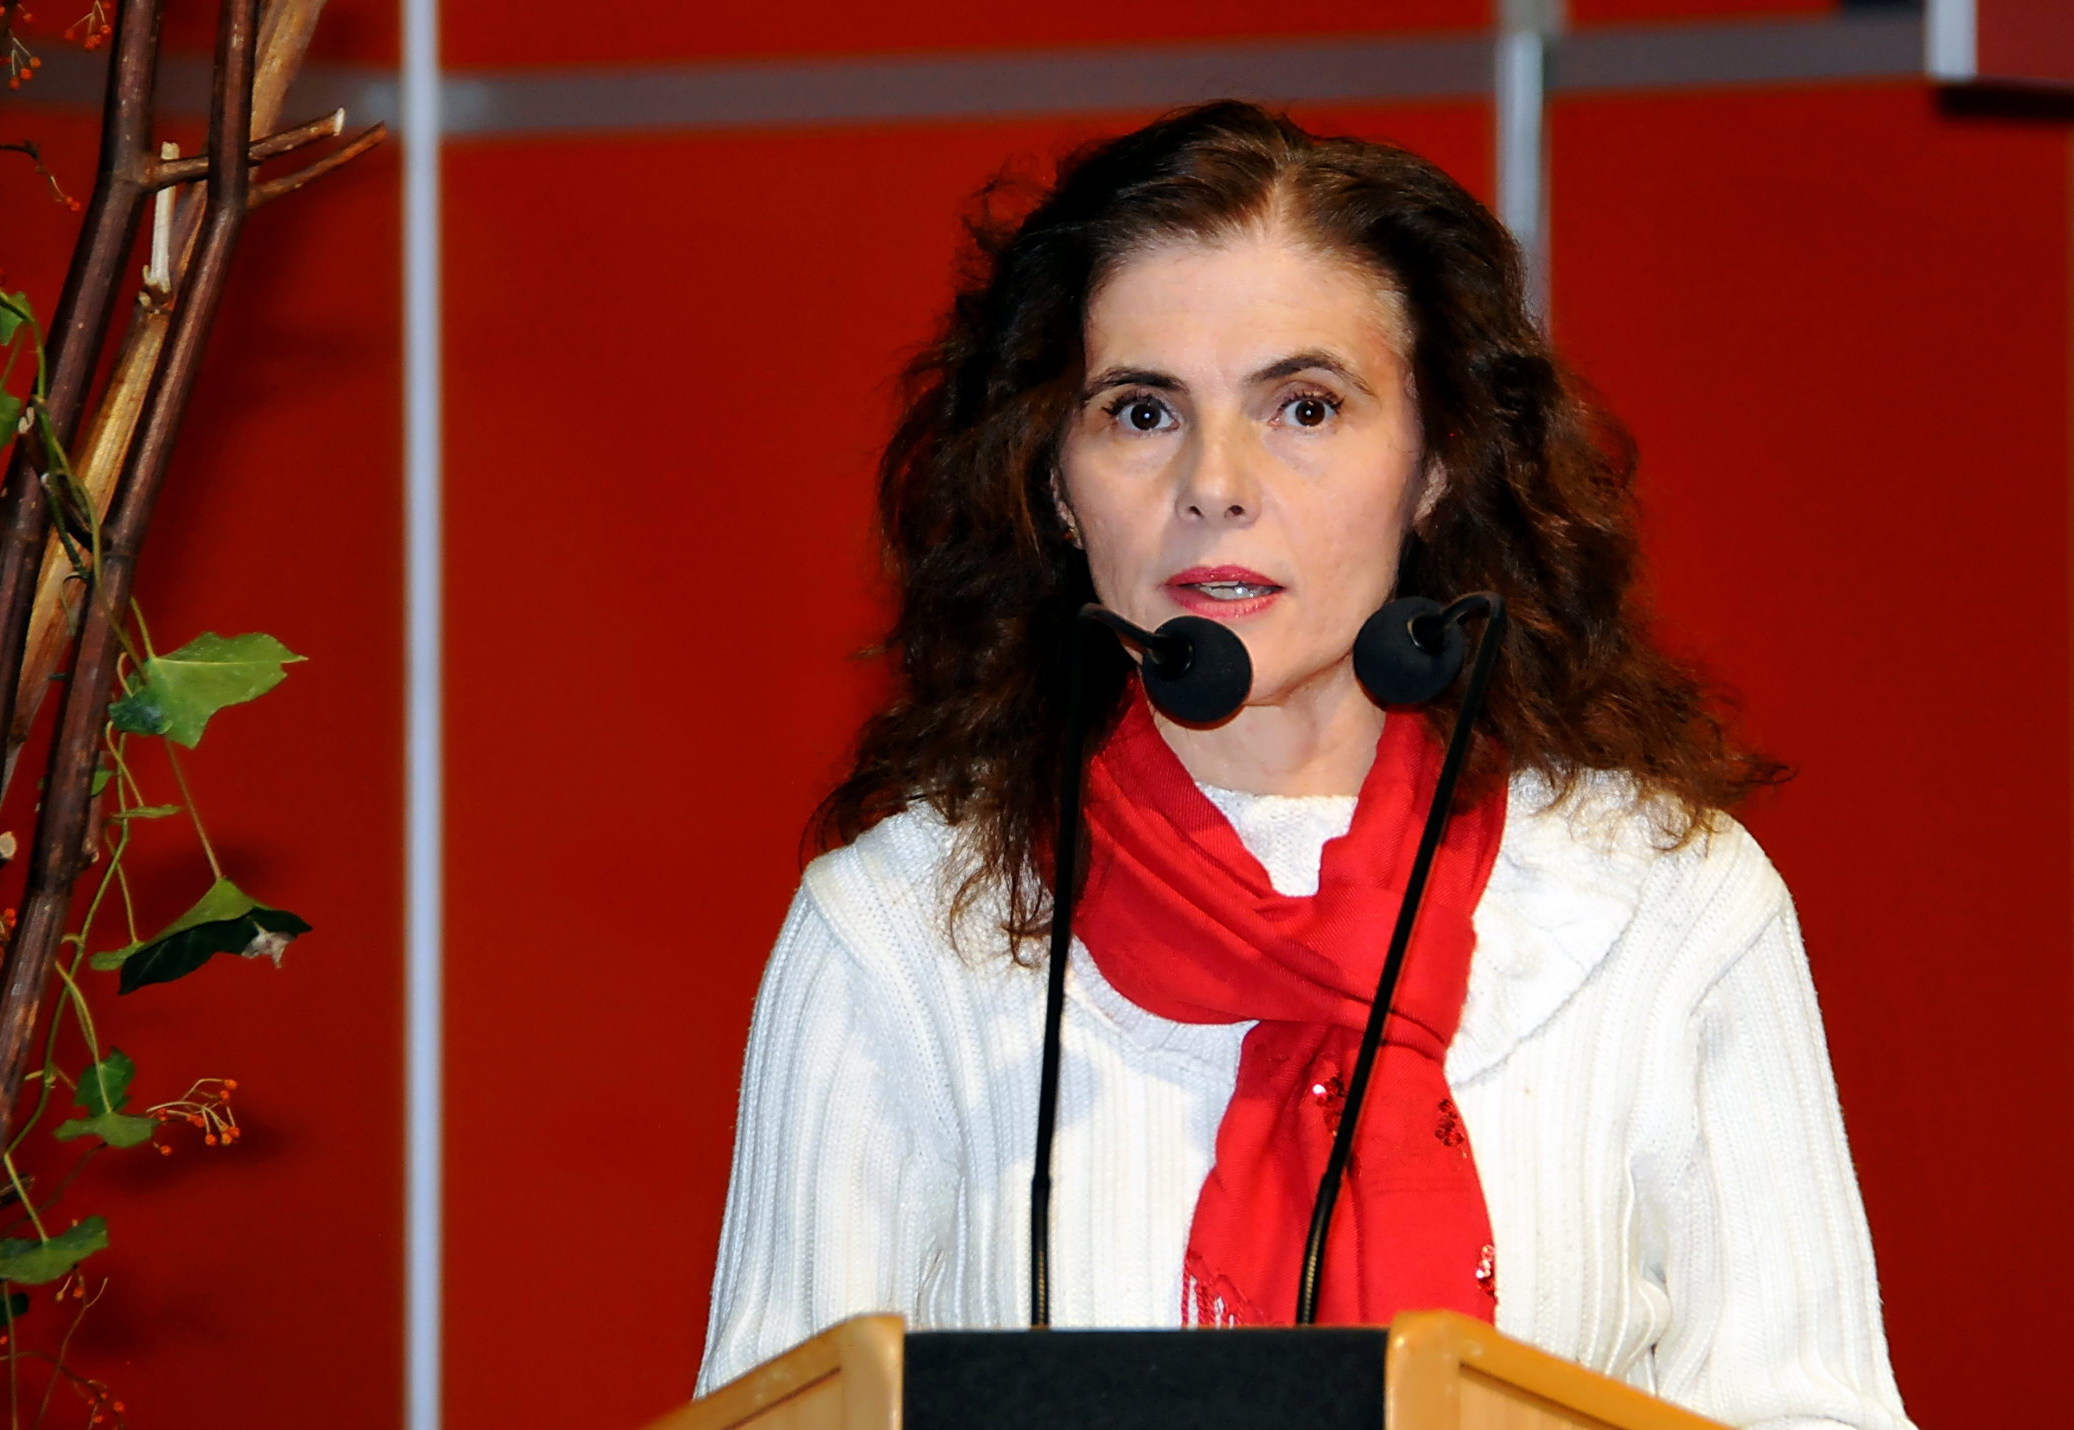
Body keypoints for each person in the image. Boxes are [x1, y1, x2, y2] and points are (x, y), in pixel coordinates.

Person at [697, 102, 1913, 1429]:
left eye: (1306, 407)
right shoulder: (898, 932)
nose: (1215, 483)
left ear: (1436, 464)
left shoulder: (1668, 908)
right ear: (1055, 482)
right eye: (1143, 410)